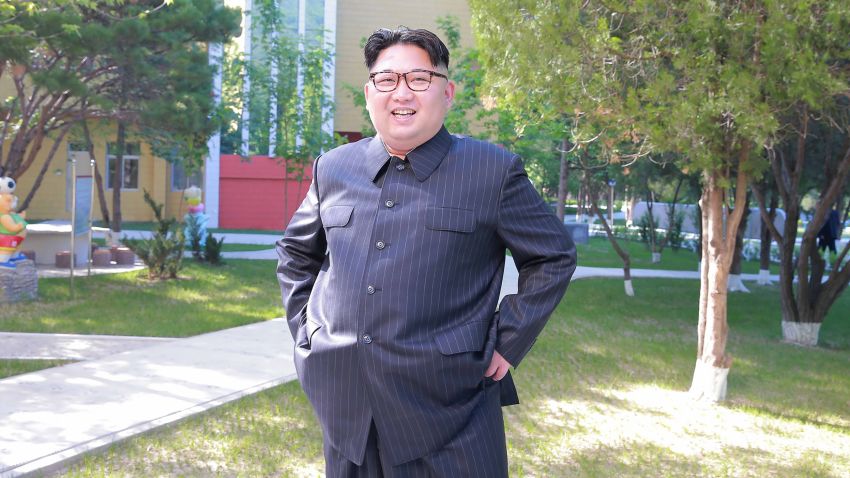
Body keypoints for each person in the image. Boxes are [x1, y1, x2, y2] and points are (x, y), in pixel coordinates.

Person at [276, 26, 576, 477]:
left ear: (447, 92)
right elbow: (296, 254)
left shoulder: (492, 171)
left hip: (452, 413)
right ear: (369, 91)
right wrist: (308, 332)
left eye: (419, 79)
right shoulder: (333, 168)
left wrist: (509, 341)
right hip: (349, 415)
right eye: (387, 79)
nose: (402, 93)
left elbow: (552, 256)